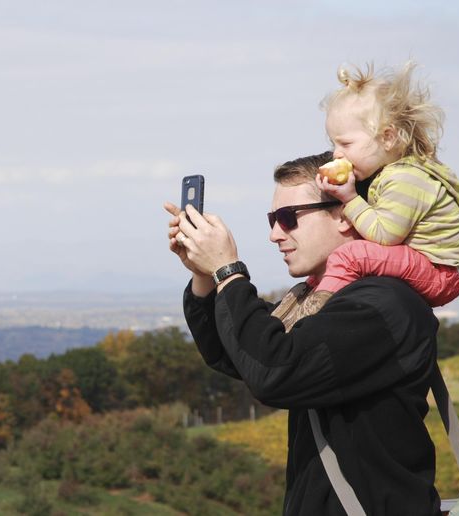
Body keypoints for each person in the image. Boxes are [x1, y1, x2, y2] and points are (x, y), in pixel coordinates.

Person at [165, 151, 442, 515]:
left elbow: (276, 372)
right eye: (273, 219)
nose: (274, 234)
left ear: (344, 213)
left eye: (287, 218)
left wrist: (227, 269)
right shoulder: (321, 299)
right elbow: (238, 353)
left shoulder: (381, 305)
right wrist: (204, 273)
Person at [314, 61, 459, 307]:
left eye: (345, 144)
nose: (336, 154)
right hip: (428, 266)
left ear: (388, 138)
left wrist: (349, 198)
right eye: (333, 144)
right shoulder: (392, 173)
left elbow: (384, 236)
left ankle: (320, 309)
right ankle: (315, 290)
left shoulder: (404, 179)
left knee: (352, 254)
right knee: (340, 251)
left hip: (439, 273)